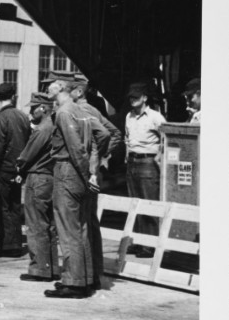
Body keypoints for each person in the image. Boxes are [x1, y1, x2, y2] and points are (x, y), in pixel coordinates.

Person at [43, 77, 113, 298]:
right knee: (81, 227)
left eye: (51, 85)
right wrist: (93, 165)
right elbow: (104, 134)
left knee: (67, 227)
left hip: (68, 170)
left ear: (61, 88)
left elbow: (74, 148)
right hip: (79, 172)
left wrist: (87, 173)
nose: (47, 88)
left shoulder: (64, 113)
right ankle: (87, 278)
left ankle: (74, 283)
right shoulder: (82, 111)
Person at [15, 92, 59, 282]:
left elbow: (26, 156)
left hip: (37, 177)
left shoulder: (42, 129)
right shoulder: (55, 126)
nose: (31, 111)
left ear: (43, 108)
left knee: (35, 225)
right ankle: (52, 268)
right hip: (50, 177)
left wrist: (19, 167)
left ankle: (39, 269)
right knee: (49, 226)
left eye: (34, 108)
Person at [123, 80, 166, 258]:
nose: (133, 99)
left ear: (144, 98)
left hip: (148, 162)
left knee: (149, 203)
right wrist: (127, 155)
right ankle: (139, 241)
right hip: (133, 161)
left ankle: (150, 245)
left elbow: (167, 137)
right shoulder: (128, 116)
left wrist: (159, 156)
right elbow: (127, 138)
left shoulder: (155, 117)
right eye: (131, 97)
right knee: (135, 203)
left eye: (136, 96)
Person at [0, 82, 31, 256]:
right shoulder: (22, 116)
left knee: (2, 207)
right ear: (13, 96)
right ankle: (16, 244)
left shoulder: (1, 117)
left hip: (4, 169)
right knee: (14, 205)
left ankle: (7, 246)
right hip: (19, 168)